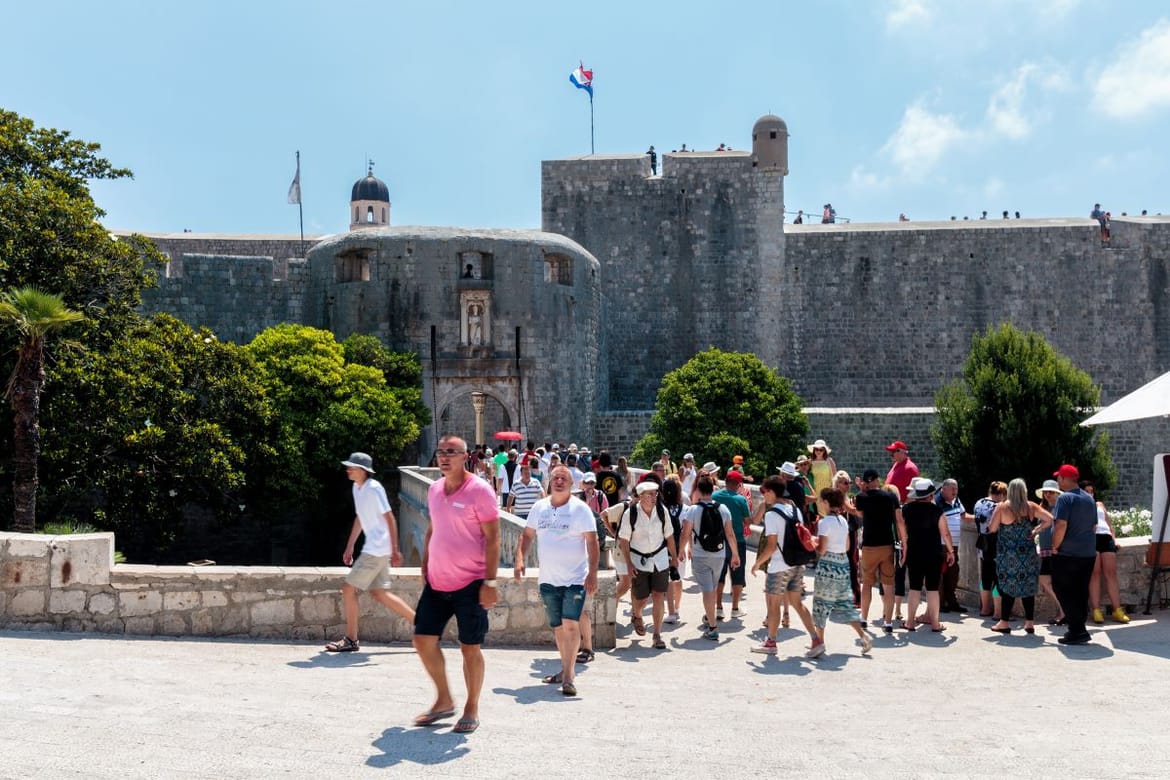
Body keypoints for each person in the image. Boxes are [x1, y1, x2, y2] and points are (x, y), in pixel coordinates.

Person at [413, 435, 500, 734]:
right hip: (437, 582)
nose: (444, 457)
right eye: (441, 452)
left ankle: (471, 707)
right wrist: (425, 562)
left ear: (466, 457)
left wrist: (490, 581)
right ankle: (444, 699)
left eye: (451, 452)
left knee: (470, 648)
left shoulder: (480, 491)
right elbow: (433, 528)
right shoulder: (434, 489)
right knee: (422, 639)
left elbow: (493, 538)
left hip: (470, 583)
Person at [514, 465, 599, 697]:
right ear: (549, 482)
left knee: (570, 624)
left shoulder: (581, 510)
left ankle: (569, 676)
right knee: (559, 628)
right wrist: (520, 559)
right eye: (555, 478)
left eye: (563, 478)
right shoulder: (539, 507)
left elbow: (592, 542)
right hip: (548, 579)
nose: (559, 481)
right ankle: (565, 669)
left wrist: (592, 573)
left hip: (575, 579)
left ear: (571, 484)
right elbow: (527, 535)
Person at [325, 452, 416, 653]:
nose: (348, 469)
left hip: (376, 550)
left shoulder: (374, 488)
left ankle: (351, 639)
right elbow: (360, 518)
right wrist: (350, 546)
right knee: (380, 593)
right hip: (376, 549)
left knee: (348, 589)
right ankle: (424, 628)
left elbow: (390, 518)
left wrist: (395, 550)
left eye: (352, 467)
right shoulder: (357, 488)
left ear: (363, 471)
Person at [751, 475, 817, 654]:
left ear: (772, 492)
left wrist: (757, 563)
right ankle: (816, 639)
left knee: (773, 605)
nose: (763, 495)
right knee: (797, 603)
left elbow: (771, 546)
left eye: (764, 491)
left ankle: (771, 643)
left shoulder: (772, 514)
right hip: (797, 564)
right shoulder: (795, 510)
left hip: (779, 566)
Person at [809, 488, 872, 658]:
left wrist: (813, 543)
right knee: (845, 604)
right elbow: (847, 546)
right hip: (842, 563)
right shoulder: (843, 521)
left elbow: (822, 549)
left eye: (821, 501)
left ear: (826, 502)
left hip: (827, 566)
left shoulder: (824, 523)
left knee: (821, 604)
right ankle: (864, 636)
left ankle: (819, 643)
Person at [618, 479, 679, 650]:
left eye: (655, 494)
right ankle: (637, 614)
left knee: (659, 595)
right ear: (641, 496)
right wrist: (629, 563)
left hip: (659, 559)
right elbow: (624, 540)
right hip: (639, 561)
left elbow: (669, 536)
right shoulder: (631, 514)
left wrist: (674, 558)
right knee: (641, 598)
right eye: (650, 494)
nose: (654, 497)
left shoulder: (661, 511)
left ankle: (657, 634)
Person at [988, 479, 1051, 634]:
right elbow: (1050, 519)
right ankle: (1029, 623)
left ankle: (1004, 622)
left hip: (1007, 556)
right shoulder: (1031, 506)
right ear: (1024, 491)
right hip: (1028, 555)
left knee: (1008, 587)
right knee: (1028, 587)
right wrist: (1036, 530)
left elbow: (992, 528)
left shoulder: (1002, 507)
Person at [681, 475, 740, 640]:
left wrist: (680, 551)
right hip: (719, 555)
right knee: (712, 588)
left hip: (700, 555)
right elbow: (730, 534)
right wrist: (735, 554)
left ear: (698, 490)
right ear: (712, 490)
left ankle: (713, 627)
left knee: (707, 590)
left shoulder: (693, 510)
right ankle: (709, 616)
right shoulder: (723, 509)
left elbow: (685, 533)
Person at [1051, 465, 1101, 645]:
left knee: (1062, 588)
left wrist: (1055, 546)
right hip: (1087, 553)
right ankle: (1079, 628)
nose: (1058, 481)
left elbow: (1061, 525)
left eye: (1059, 477)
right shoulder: (1089, 499)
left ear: (1065, 479)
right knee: (1080, 591)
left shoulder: (1065, 498)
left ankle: (1077, 630)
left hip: (1068, 553)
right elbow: (1093, 526)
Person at [855, 468, 906, 632]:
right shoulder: (890, 497)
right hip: (887, 545)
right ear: (878, 480)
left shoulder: (861, 497)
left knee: (867, 584)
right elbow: (899, 521)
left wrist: (862, 490)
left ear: (865, 482)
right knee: (888, 585)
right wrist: (904, 543)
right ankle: (888, 622)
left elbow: (860, 514)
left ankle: (864, 618)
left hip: (869, 546)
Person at [901, 478, 952, 633]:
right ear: (930, 495)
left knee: (914, 588)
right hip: (933, 553)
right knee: (933, 589)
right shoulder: (937, 511)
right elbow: (945, 534)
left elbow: (901, 529)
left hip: (914, 552)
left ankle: (910, 622)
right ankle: (935, 623)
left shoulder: (907, 509)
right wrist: (951, 551)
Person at [1082, 479, 1130, 624]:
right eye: (1087, 491)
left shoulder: (1100, 504)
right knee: (1095, 574)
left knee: (1111, 574)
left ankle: (1117, 610)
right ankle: (1096, 610)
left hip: (1106, 537)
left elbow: (1109, 524)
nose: (1090, 494)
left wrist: (1114, 540)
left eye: (1091, 491)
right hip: (1092, 538)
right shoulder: (1080, 505)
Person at [713, 469, 751, 621]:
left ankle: (718, 608)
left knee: (719, 575)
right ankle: (735, 608)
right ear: (738, 484)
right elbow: (747, 522)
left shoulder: (715, 496)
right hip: (737, 540)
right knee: (737, 575)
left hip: (718, 541)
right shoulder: (740, 499)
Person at [935, 479, 974, 613]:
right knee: (940, 574)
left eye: (956, 489)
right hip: (941, 544)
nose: (955, 491)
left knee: (953, 574)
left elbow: (963, 516)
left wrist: (979, 518)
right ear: (944, 488)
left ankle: (951, 602)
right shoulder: (937, 502)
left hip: (954, 545)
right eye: (952, 489)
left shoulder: (956, 500)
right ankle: (940, 603)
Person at [972, 481, 1007, 619]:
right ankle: (998, 613)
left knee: (985, 577)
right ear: (1002, 494)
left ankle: (985, 608)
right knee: (999, 578)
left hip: (982, 545)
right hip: (997, 545)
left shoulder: (978, 503)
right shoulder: (999, 507)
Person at [1035, 479, 1063, 623]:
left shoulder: (1060, 508)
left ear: (1057, 493)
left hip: (1056, 549)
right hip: (1046, 549)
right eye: (1045, 492)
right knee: (1045, 580)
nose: (1047, 495)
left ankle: (1063, 611)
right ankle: (1063, 610)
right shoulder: (1042, 508)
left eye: (1051, 492)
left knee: (1051, 581)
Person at [660, 478, 685, 624]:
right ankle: (677, 608)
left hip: (664, 549)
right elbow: (687, 532)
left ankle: (670, 613)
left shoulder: (659, 509)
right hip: (680, 549)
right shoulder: (684, 509)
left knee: (668, 581)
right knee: (678, 579)